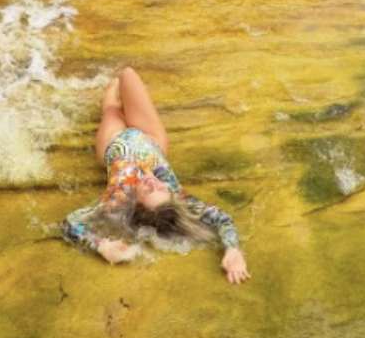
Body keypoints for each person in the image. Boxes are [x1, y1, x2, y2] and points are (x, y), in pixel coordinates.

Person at [62, 67, 251, 285]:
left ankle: (110, 96)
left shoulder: (117, 200)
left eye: (147, 189)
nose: (152, 182)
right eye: (160, 188)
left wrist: (101, 245)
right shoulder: (179, 197)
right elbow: (222, 219)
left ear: (135, 203)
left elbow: (70, 223)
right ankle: (117, 89)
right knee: (128, 74)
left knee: (112, 106)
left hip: (113, 142)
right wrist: (233, 249)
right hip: (152, 138)